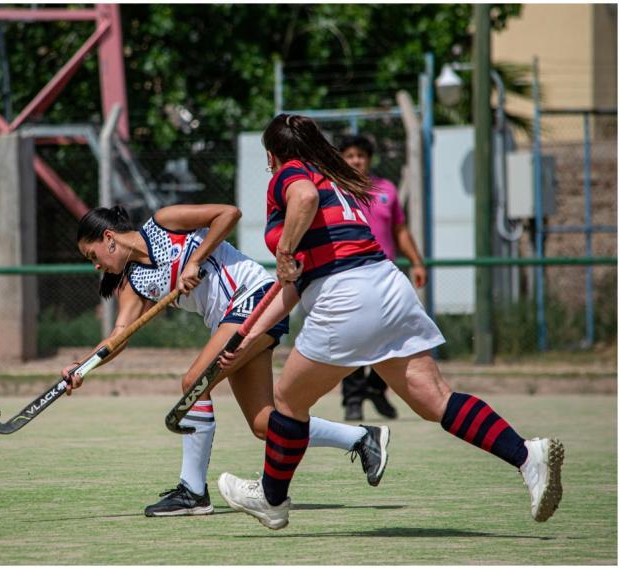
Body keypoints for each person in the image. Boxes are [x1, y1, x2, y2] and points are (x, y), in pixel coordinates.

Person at [216, 113, 564, 530]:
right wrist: (249, 334)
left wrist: (284, 250)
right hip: (386, 286)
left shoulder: (292, 174)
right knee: (434, 399)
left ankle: (271, 500)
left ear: (271, 155)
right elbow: (294, 287)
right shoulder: (336, 179)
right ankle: (528, 456)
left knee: (288, 401)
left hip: (346, 296)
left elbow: (303, 200)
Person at [63, 203, 391, 518]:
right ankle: (362, 439)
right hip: (227, 321)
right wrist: (83, 367)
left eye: (93, 255)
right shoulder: (135, 282)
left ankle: (192, 491)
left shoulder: (163, 222)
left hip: (255, 299)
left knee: (194, 382)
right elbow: (118, 336)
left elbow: (228, 213)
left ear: (108, 238)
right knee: (265, 424)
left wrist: (194, 261)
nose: (95, 265)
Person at [337, 134, 427, 422]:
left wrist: (416, 262)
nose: (355, 160)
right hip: (349, 276)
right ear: (341, 159)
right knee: (353, 338)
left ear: (369, 159)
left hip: (386, 278)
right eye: (349, 155)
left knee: (393, 335)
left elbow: (400, 230)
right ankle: (352, 399)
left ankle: (376, 388)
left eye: (360, 155)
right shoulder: (335, 190)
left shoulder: (386, 189)